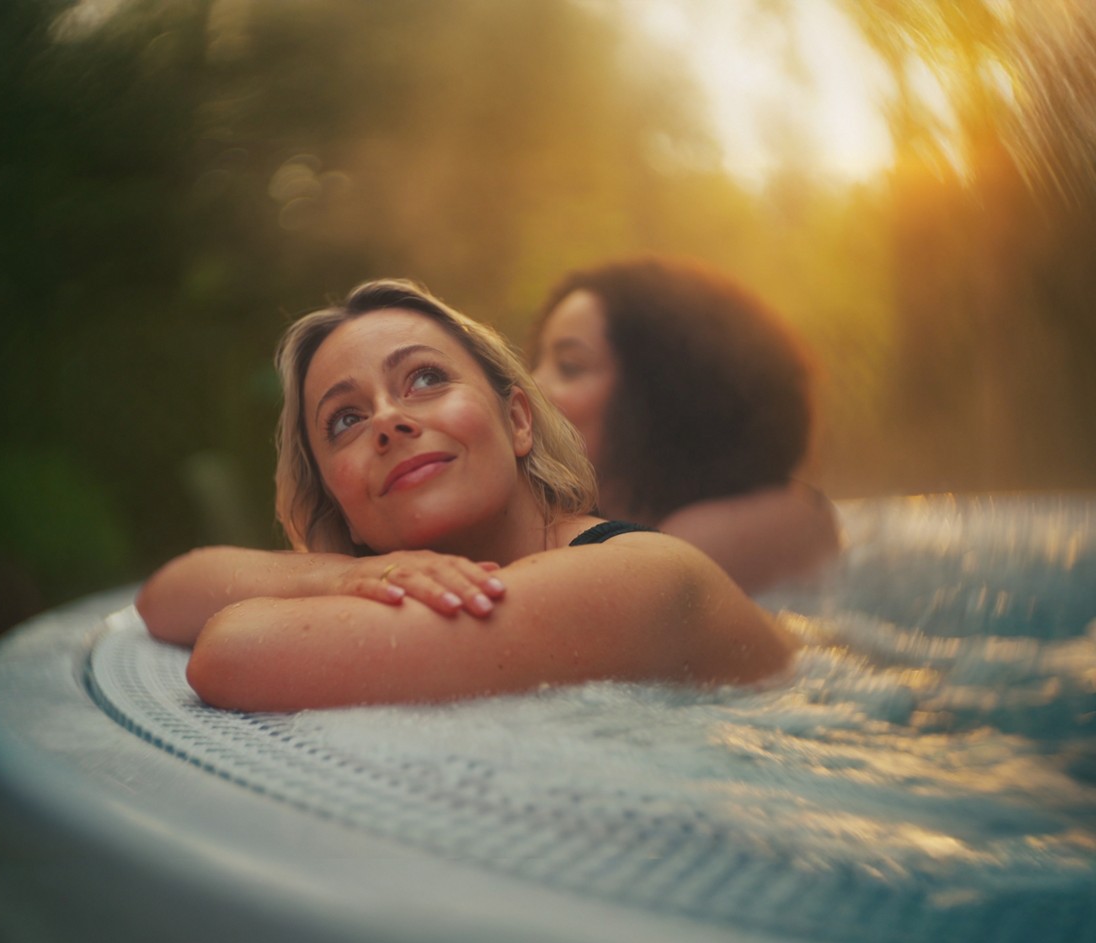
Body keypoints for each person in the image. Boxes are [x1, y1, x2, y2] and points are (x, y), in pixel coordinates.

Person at [136, 279, 795, 711]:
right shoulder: (403, 580)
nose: (390, 420)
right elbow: (164, 596)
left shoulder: (638, 575)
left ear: (516, 421)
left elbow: (234, 653)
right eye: (345, 420)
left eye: (424, 378)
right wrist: (344, 574)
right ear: (342, 506)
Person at [530, 256, 840, 594]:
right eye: (536, 363)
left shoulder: (712, 535)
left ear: (659, 391)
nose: (531, 386)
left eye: (569, 366)